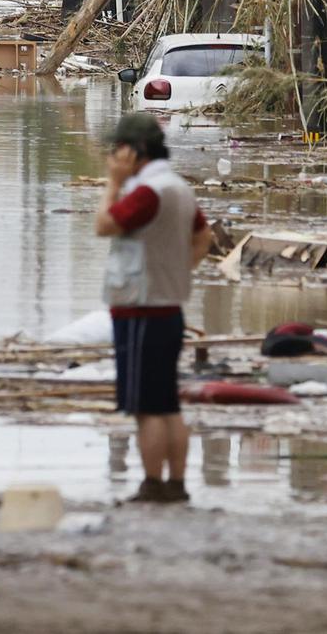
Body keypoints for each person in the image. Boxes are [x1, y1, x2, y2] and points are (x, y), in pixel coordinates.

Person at [95, 111, 210, 505]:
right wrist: (178, 272)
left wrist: (112, 184)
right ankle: (175, 485)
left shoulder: (146, 192)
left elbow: (104, 225)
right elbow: (203, 236)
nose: (113, 157)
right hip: (167, 305)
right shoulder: (176, 186)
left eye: (118, 150)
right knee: (167, 403)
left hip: (141, 308)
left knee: (147, 407)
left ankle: (152, 484)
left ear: (135, 151)